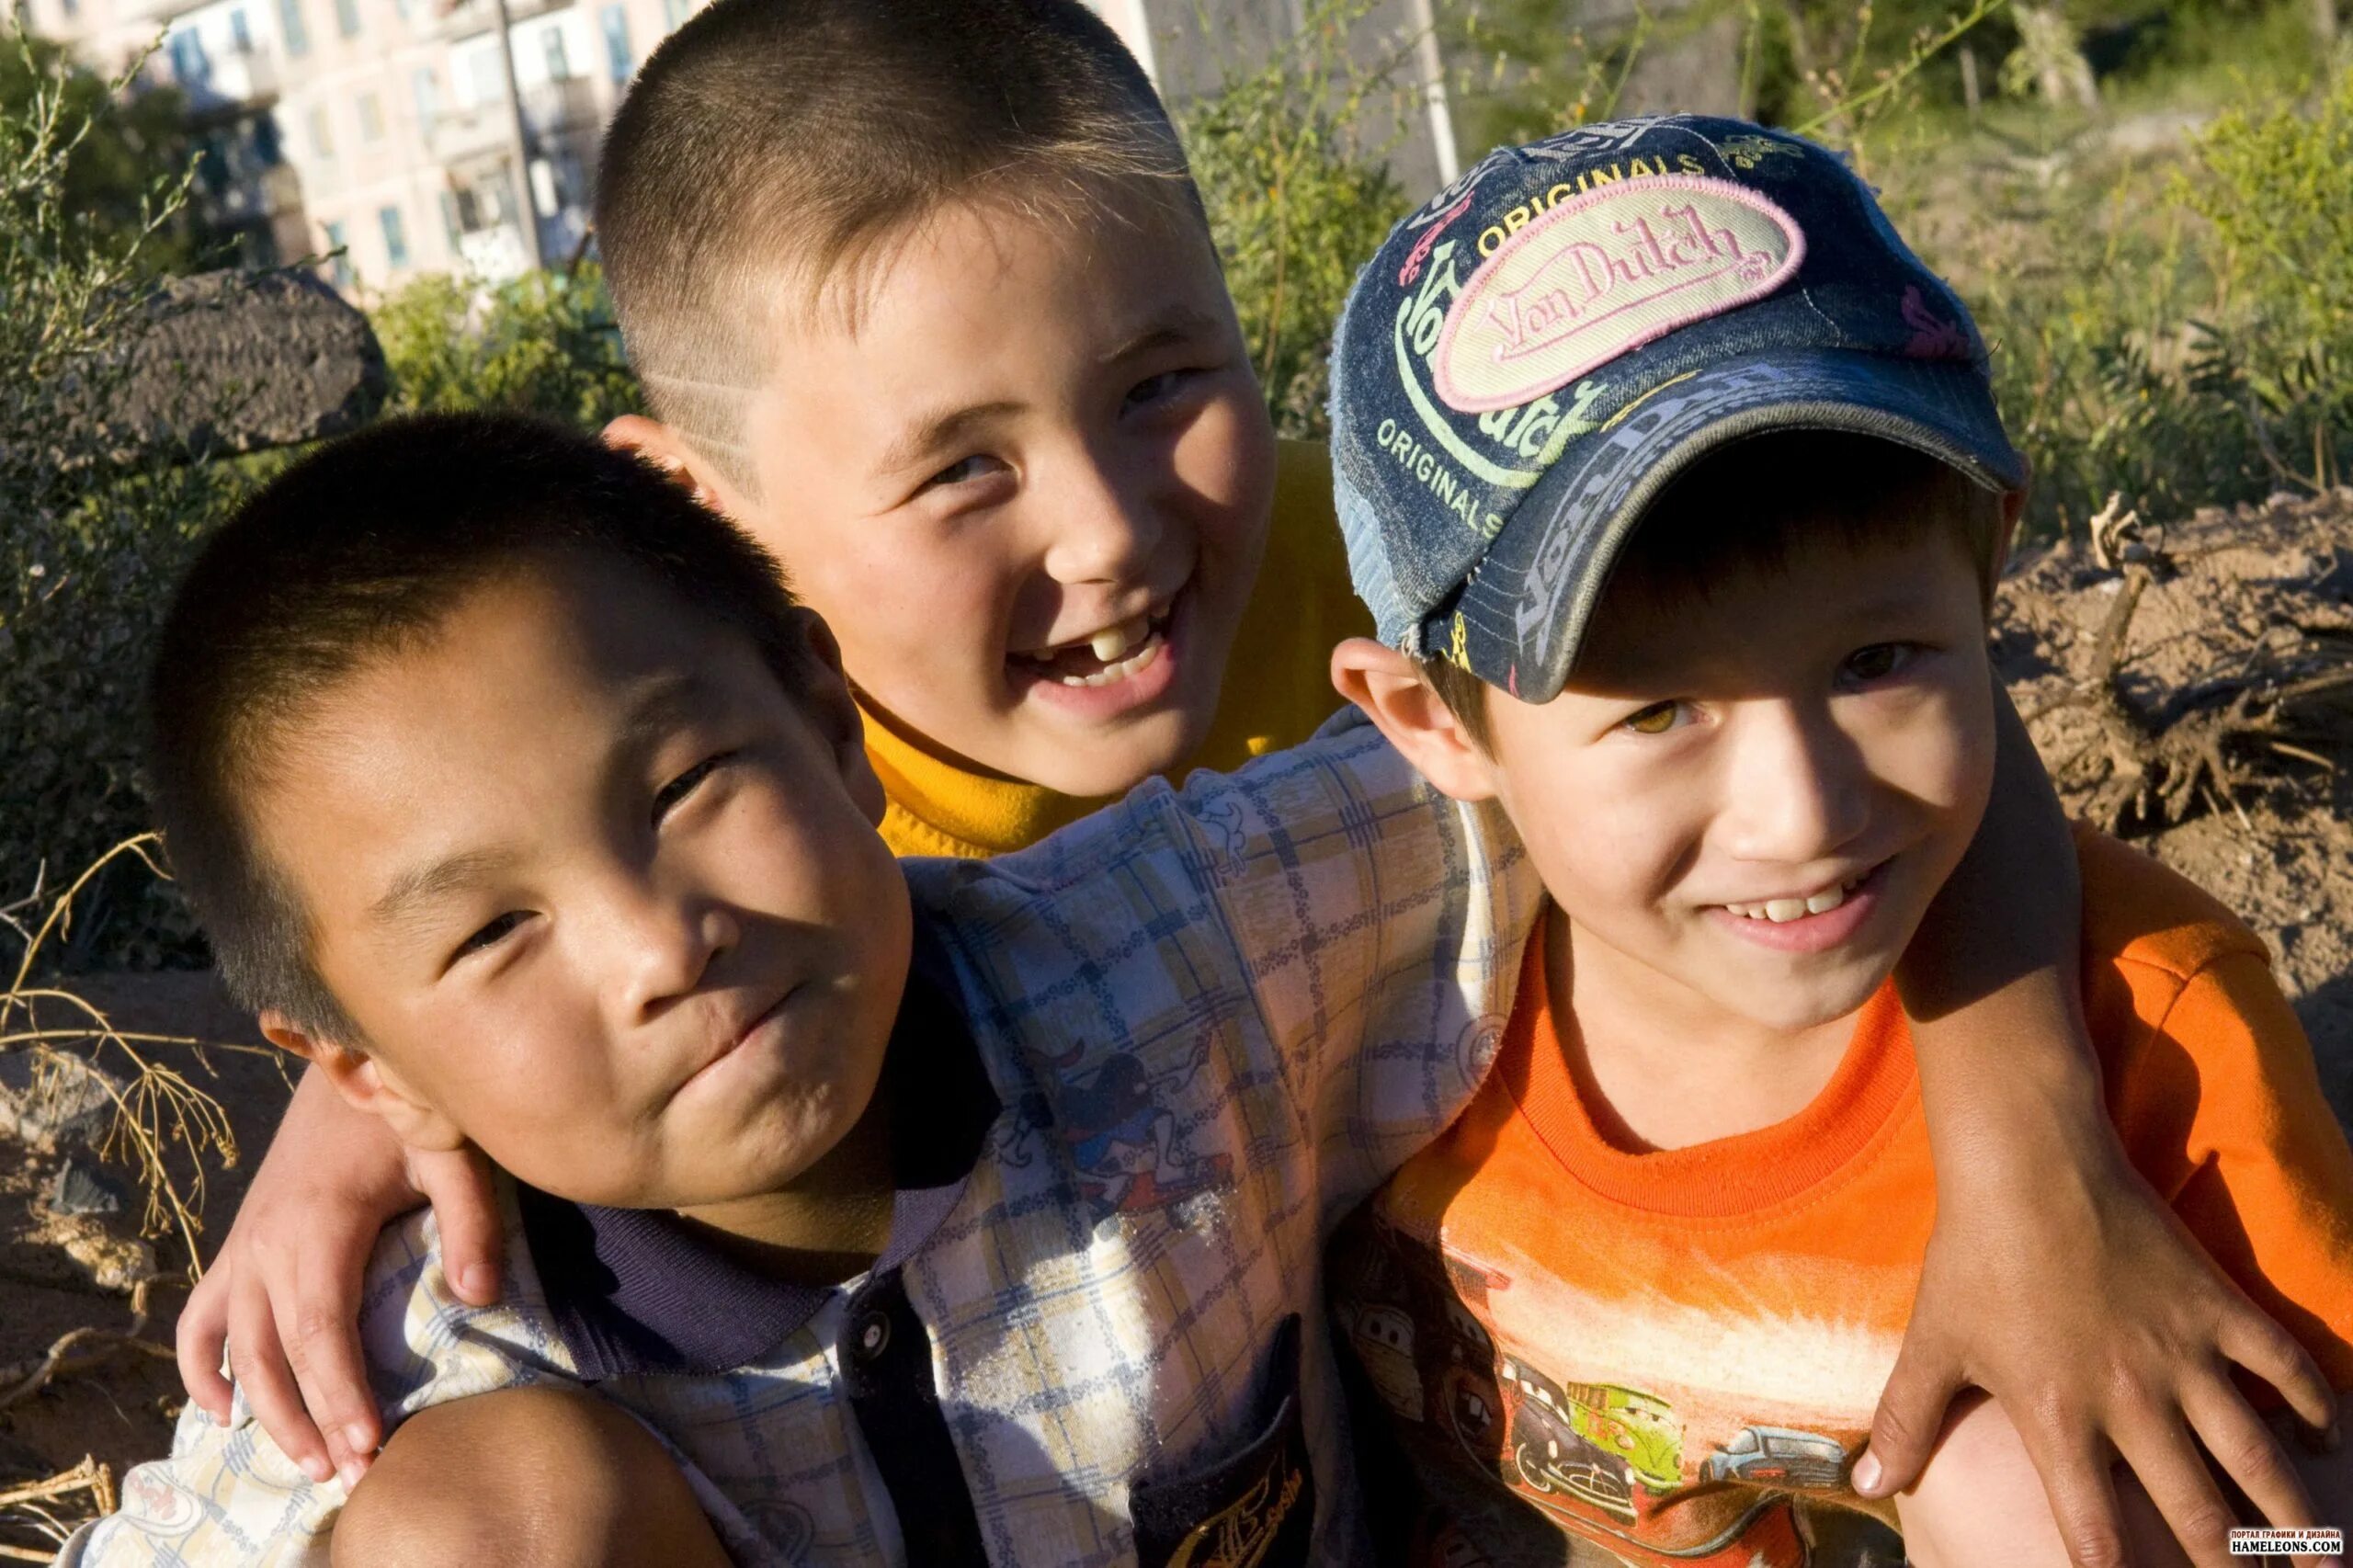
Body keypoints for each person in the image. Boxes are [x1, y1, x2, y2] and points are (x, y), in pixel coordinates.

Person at [172, 2, 2325, 1551]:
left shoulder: (1292, 721)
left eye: (1165, 379)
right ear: (735, 544)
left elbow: (1855, 732)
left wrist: (2033, 1143)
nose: (1112, 530)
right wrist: (365, 1111)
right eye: (962, 468)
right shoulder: (749, 890)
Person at [59, 413, 1539, 1565]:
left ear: (833, 728)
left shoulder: (1178, 948)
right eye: (494, 931)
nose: (658, 947)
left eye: (688, 784)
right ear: (368, 1073)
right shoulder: (381, 1365)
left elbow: (1536, 746)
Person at [1319, 117, 2353, 1566]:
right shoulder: (1369, 998)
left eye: (1877, 660)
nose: (1801, 809)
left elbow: (2319, 1524)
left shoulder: (2165, 1041)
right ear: (1432, 722)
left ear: (1993, 560)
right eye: (1663, 708)